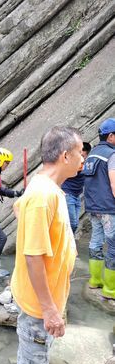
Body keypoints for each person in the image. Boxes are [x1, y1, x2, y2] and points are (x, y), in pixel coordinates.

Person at [11, 126, 83, 364]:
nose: (83, 159)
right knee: (36, 353)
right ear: (65, 155)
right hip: (39, 302)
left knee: (32, 349)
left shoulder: (44, 188)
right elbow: (33, 256)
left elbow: (19, 208)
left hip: (42, 294)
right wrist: (49, 309)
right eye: (79, 153)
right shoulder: (43, 195)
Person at [83, 117, 115, 299]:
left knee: (96, 242)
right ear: (111, 136)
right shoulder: (112, 155)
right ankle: (111, 289)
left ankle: (95, 280)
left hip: (93, 208)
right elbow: (114, 184)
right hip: (109, 209)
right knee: (113, 247)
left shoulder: (92, 154)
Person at [61, 142, 91, 234]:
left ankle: (68, 245)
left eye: (84, 156)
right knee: (72, 224)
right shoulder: (71, 162)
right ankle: (66, 244)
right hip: (67, 194)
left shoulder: (86, 163)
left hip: (77, 195)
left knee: (74, 223)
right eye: (80, 155)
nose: (82, 158)